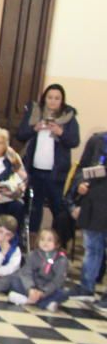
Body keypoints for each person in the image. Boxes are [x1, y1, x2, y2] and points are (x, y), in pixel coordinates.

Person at [16, 84, 80, 249]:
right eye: (50, 97)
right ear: (44, 98)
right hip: (35, 171)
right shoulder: (34, 112)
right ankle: (33, 244)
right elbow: (20, 134)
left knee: (59, 208)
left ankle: (58, 245)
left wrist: (61, 132)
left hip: (56, 173)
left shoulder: (69, 116)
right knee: (34, 208)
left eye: (57, 98)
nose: (52, 101)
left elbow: (74, 141)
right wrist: (34, 128)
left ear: (62, 101)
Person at [65, 131, 107, 305]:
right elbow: (82, 167)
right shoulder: (98, 140)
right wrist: (79, 185)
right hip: (93, 203)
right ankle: (86, 287)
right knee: (92, 248)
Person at [7, 228, 69, 311]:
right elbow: (26, 273)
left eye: (49, 240)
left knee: (64, 293)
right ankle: (45, 303)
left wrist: (43, 292)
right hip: (33, 286)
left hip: (48, 290)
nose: (45, 243)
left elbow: (58, 281)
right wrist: (31, 289)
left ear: (56, 243)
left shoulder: (61, 259)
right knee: (15, 280)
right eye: (42, 239)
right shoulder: (33, 254)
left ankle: (27, 300)